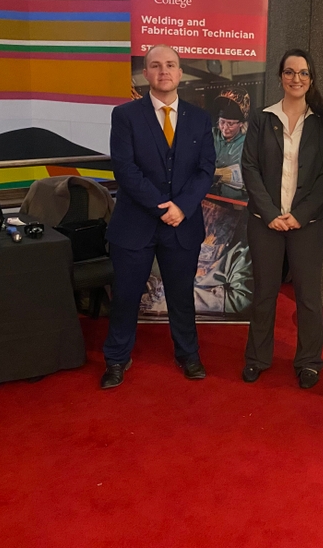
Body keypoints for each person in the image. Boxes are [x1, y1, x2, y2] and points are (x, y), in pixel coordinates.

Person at [101, 45, 216, 389]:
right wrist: (162, 206)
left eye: (170, 65)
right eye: (156, 65)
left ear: (180, 73)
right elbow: (124, 168)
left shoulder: (200, 118)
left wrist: (181, 206)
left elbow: (205, 169)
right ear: (146, 74)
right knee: (125, 295)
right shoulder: (124, 116)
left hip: (183, 223)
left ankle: (188, 354)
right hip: (134, 225)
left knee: (181, 295)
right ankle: (117, 359)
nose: (164, 70)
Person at [241, 48, 323, 388]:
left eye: (303, 73)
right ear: (280, 76)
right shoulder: (261, 118)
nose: (296, 78)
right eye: (289, 72)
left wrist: (299, 215)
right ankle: (257, 357)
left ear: (311, 79)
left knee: (309, 298)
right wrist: (270, 214)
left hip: (306, 226)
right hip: (264, 223)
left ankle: (310, 361)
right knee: (264, 294)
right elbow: (250, 168)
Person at [211, 88, 249, 200]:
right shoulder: (211, 135)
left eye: (231, 124)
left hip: (237, 203)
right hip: (210, 199)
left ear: (241, 124)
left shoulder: (248, 143)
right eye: (222, 122)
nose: (225, 128)